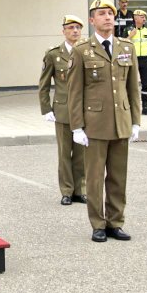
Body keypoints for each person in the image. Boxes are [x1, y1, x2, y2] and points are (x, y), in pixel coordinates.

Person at [67, 0, 141, 243]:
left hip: (121, 121)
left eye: (110, 13)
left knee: (118, 178)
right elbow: (75, 92)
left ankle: (115, 222)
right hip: (95, 125)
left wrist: (136, 121)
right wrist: (77, 126)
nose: (107, 17)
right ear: (92, 20)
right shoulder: (82, 50)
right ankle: (98, 224)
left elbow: (133, 88)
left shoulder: (126, 47)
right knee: (96, 178)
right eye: (101, 14)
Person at [38, 15, 86, 205]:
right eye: (71, 27)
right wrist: (46, 108)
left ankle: (79, 190)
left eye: (78, 28)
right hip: (63, 109)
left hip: (83, 110)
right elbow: (43, 84)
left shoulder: (86, 51)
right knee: (65, 153)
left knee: (81, 153)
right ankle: (67, 190)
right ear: (63, 30)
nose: (75, 31)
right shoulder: (53, 54)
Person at [128, 9, 147, 116]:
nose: (144, 19)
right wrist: (130, 36)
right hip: (132, 59)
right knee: (130, 83)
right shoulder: (128, 29)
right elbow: (122, 44)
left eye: (144, 17)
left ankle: (145, 106)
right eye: (142, 17)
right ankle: (130, 107)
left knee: (146, 83)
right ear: (135, 18)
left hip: (145, 60)